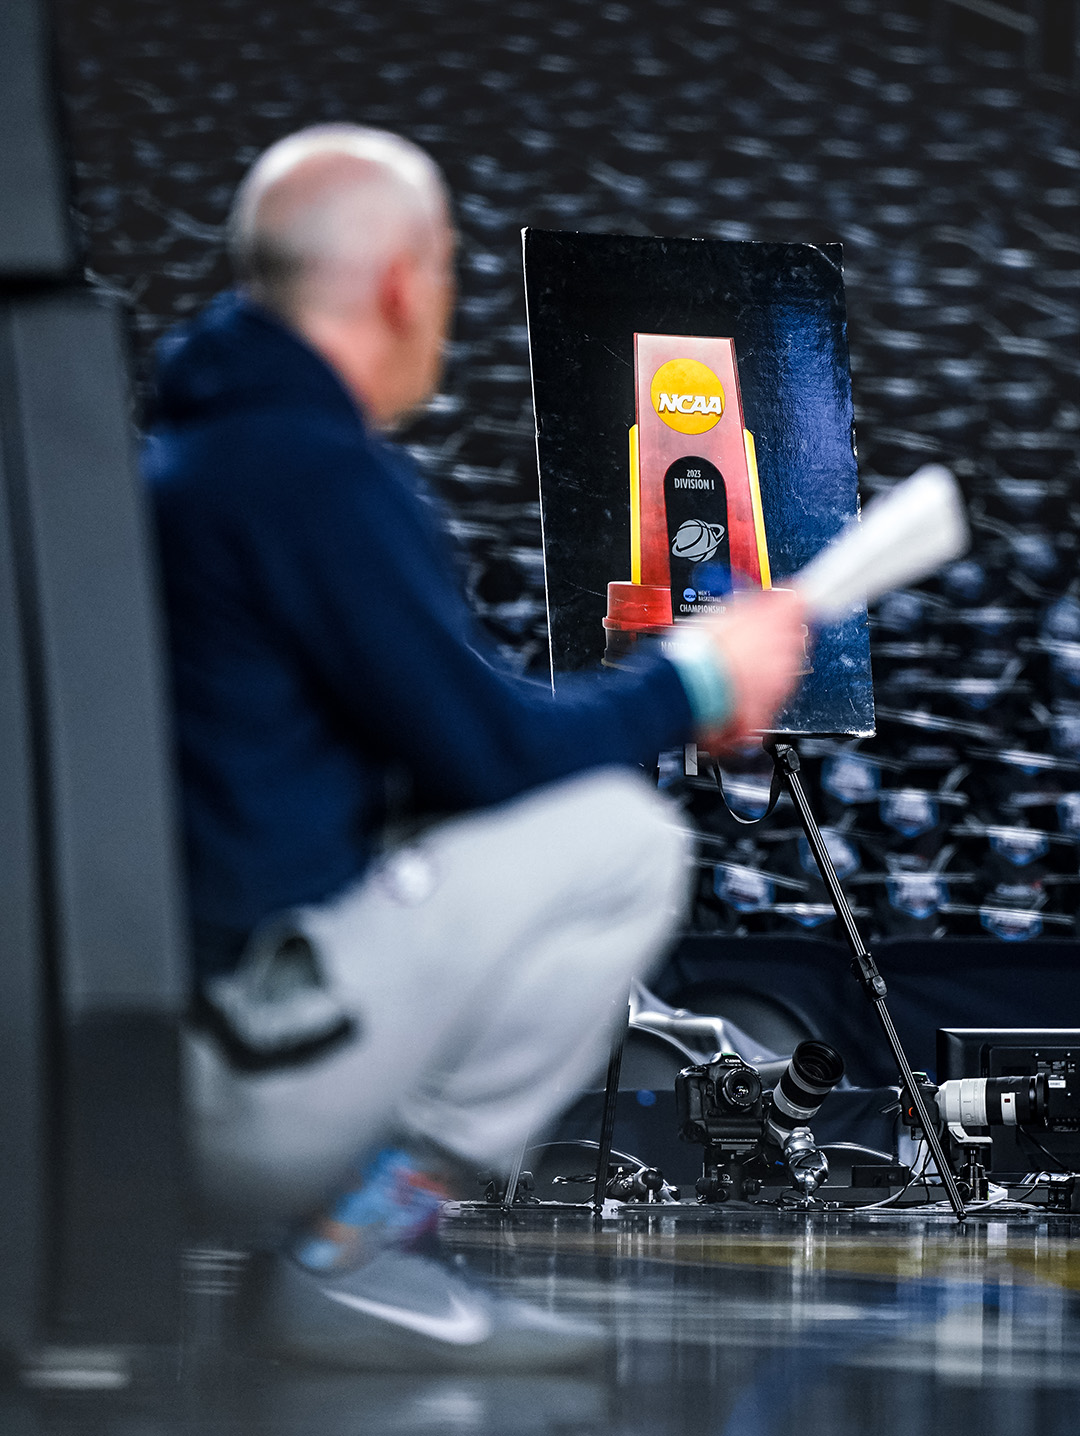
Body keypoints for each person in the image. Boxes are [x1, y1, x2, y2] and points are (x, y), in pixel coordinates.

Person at [145, 124, 809, 1372]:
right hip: (238, 1074)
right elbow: (488, 753)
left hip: (134, 1062)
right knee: (623, 841)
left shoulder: (180, 458)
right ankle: (363, 1243)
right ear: (405, 281)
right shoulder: (310, 474)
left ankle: (347, 1235)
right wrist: (700, 676)